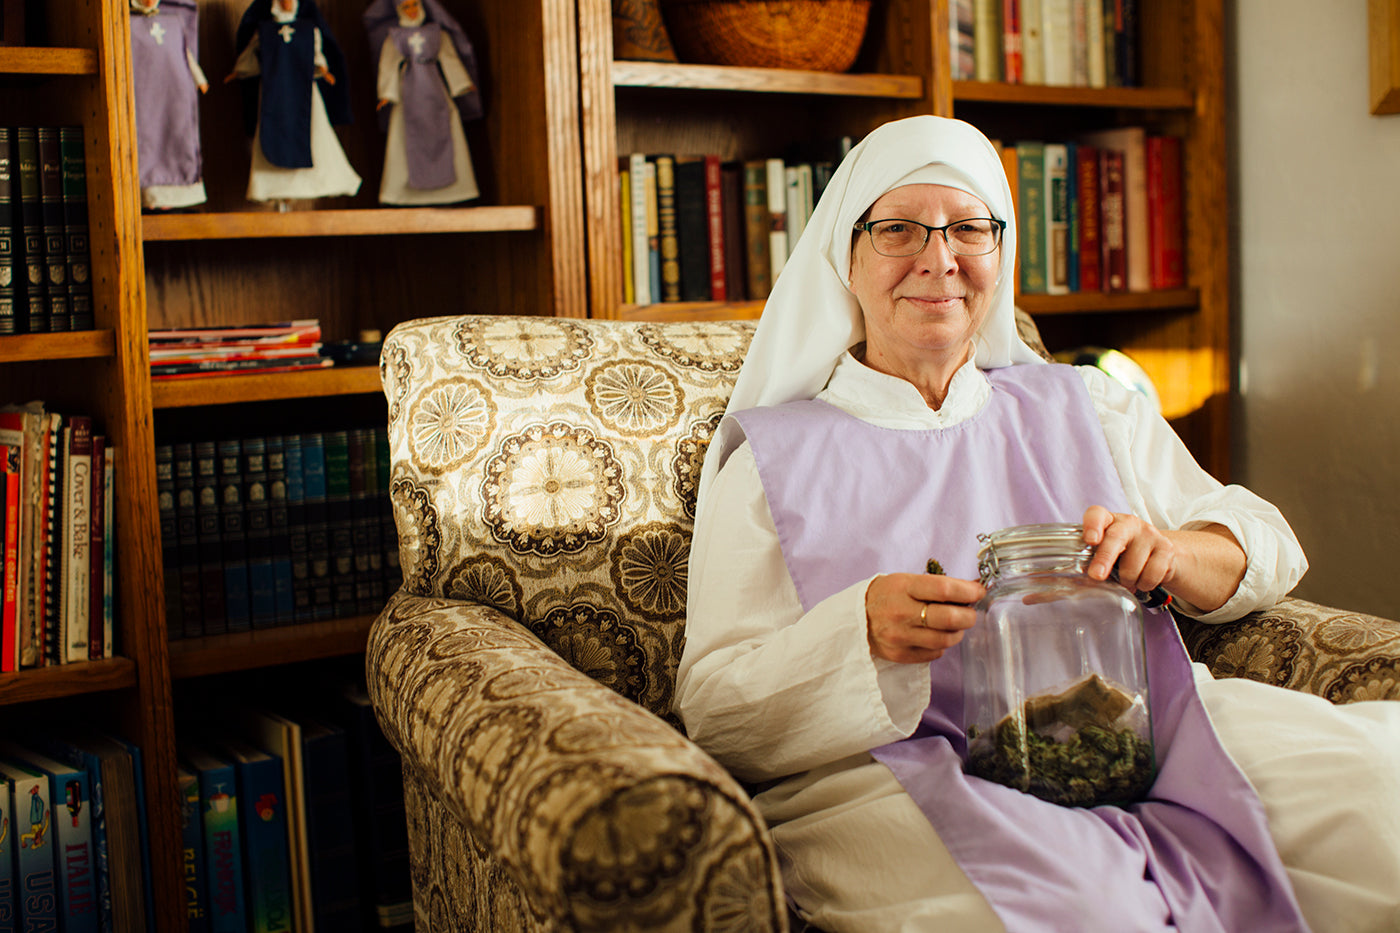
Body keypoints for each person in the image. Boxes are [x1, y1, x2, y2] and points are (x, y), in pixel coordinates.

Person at [676, 114, 1400, 932]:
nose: (937, 258)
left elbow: (1265, 539)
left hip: (1138, 727)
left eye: (967, 229)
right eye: (898, 229)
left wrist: (1170, 552)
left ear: (1000, 249)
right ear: (846, 255)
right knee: (1085, 907)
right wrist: (857, 634)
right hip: (888, 770)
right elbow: (711, 708)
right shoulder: (770, 459)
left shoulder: (1085, 405)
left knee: (1382, 784)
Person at [228, 0, 361, 205]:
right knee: (272, 133)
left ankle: (309, 186)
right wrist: (239, 71)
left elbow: (317, 54)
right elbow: (251, 52)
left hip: (303, 91)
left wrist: (324, 71)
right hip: (274, 92)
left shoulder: (309, 29)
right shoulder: (265, 30)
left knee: (314, 133)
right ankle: (276, 190)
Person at [364, 0, 482, 205]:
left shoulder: (437, 33)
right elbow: (388, 66)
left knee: (446, 133)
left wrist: (462, 83)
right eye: (406, 7)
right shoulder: (394, 38)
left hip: (436, 93)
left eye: (414, 6)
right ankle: (402, 194)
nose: (411, 11)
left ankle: (456, 191)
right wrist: (386, 93)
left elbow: (449, 59)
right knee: (403, 138)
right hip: (408, 95)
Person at [129, 0, 209, 210]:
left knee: (177, 134)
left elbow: (187, 55)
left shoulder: (175, 20)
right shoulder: (128, 24)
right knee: (147, 140)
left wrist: (200, 80)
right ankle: (149, 191)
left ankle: (174, 191)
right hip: (145, 92)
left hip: (175, 90)